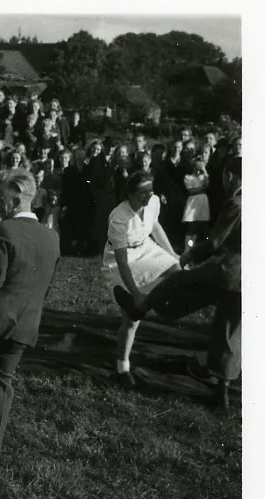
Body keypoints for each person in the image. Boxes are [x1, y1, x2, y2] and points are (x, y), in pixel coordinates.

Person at [113, 157, 241, 409]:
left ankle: (143, 307)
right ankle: (221, 393)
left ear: (229, 176)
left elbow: (214, 243)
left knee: (180, 281)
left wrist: (188, 256)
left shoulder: (236, 202)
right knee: (229, 330)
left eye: (225, 177)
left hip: (229, 271)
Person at [0, 168, 60, 464]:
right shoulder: (52, 237)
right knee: (2, 380)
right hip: (28, 320)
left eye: (2, 197)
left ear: (19, 198)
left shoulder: (5, 230)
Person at [101, 171, 182, 388]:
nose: (147, 197)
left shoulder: (153, 201)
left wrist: (172, 253)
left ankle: (160, 305)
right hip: (122, 259)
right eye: (142, 194)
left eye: (150, 191)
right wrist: (135, 294)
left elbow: (154, 225)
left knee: (178, 270)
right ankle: (122, 367)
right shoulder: (119, 217)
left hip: (146, 249)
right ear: (129, 194)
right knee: (132, 318)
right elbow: (121, 261)